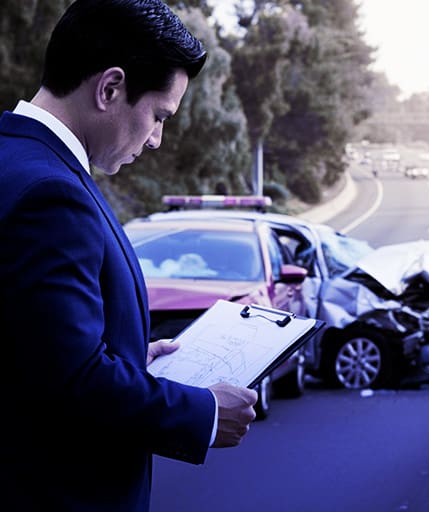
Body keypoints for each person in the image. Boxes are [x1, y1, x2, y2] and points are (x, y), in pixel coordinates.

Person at [0, 1, 259, 510]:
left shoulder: (15, 159)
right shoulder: (54, 194)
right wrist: (202, 413)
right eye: (159, 116)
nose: (157, 139)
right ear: (110, 88)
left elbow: (29, 351)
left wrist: (125, 355)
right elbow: (73, 382)